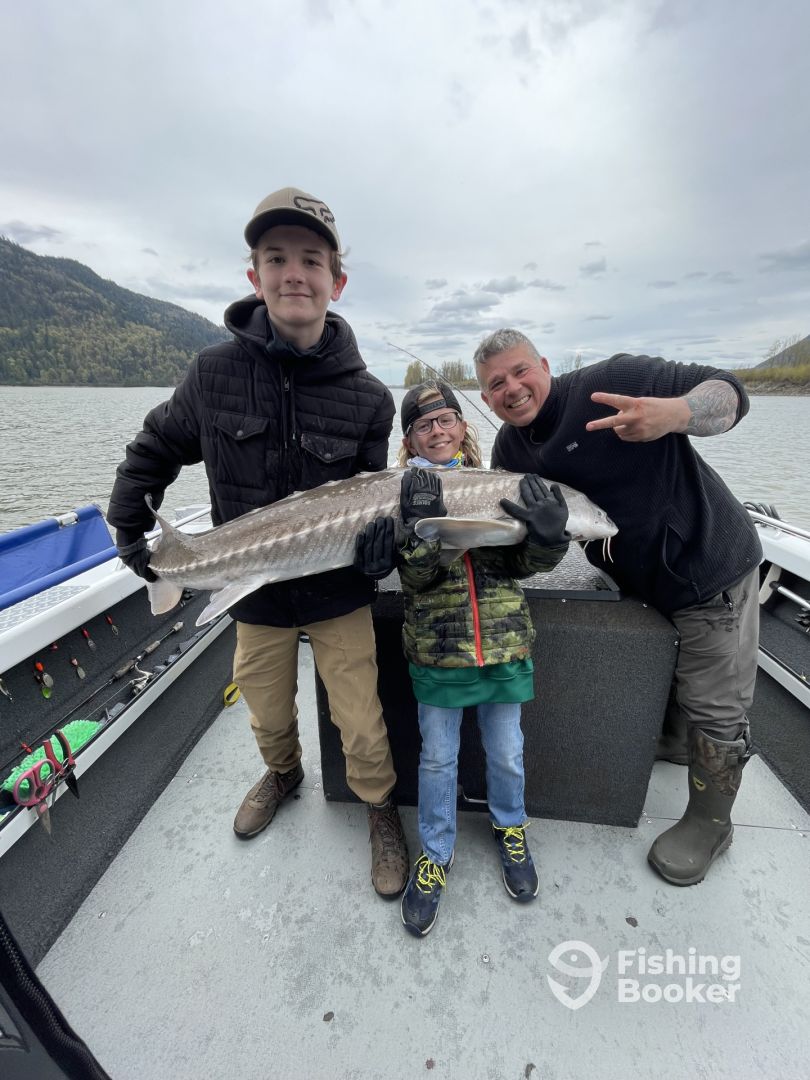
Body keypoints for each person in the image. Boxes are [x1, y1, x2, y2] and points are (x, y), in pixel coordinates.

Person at [107, 186, 409, 899]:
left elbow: (376, 498)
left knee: (362, 720)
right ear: (254, 276)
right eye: (276, 259)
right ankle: (283, 773)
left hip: (336, 590)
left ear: (337, 281)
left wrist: (383, 551)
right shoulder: (213, 373)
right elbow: (155, 447)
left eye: (311, 260)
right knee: (265, 709)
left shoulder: (371, 397)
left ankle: (378, 808)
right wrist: (128, 524)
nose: (293, 274)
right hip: (254, 590)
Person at [474, 328, 762, 887]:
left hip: (708, 563)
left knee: (714, 700)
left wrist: (677, 413)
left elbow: (730, 392)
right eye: (496, 383)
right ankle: (676, 746)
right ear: (486, 398)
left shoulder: (612, 382)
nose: (512, 388)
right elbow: (523, 545)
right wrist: (541, 537)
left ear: (545, 365)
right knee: (676, 683)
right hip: (636, 577)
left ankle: (712, 822)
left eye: (521, 371)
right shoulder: (509, 451)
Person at [357, 382, 570, 937]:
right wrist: (419, 532)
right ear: (409, 440)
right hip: (439, 651)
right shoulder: (402, 493)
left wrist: (549, 539)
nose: (438, 430)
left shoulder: (501, 483)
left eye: (447, 419)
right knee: (436, 759)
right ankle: (435, 853)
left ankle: (511, 828)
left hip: (502, 644)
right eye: (423, 425)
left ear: (462, 426)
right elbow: (415, 579)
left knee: (507, 752)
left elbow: (524, 565)